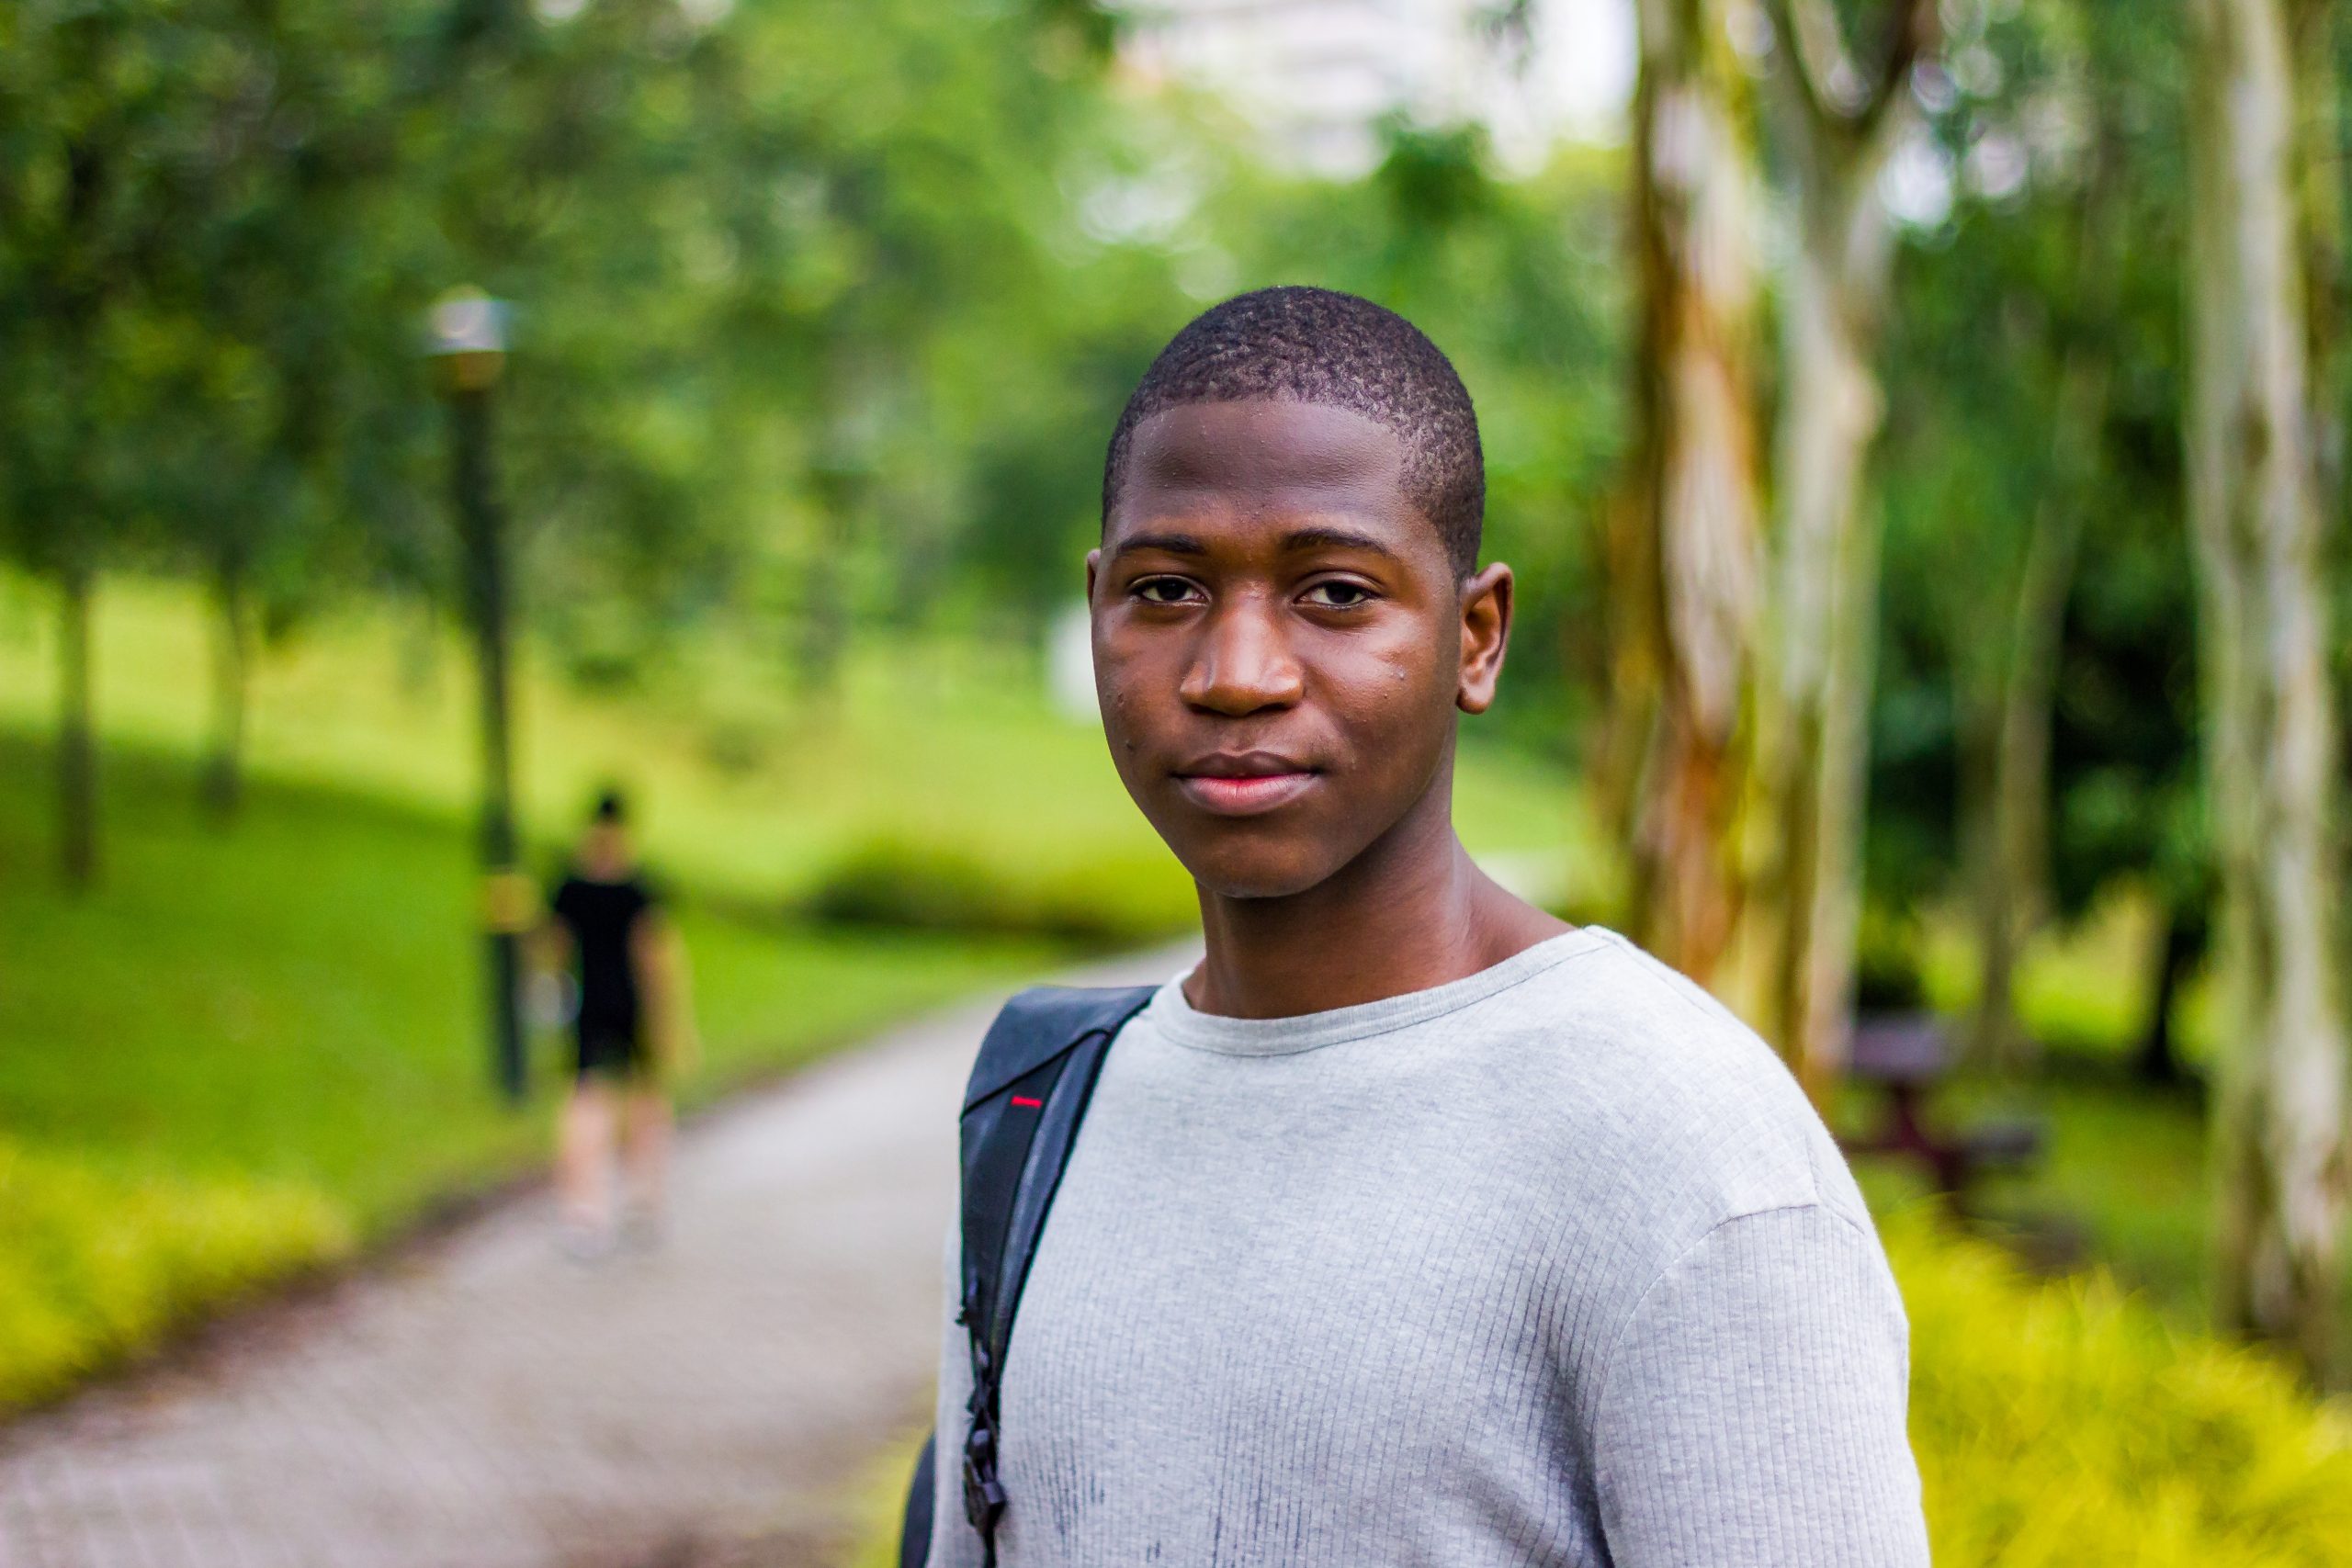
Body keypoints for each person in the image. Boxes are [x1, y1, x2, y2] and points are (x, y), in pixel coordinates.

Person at [924, 287, 1928, 1564]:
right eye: (1167, 587)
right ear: (1098, 607)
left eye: (1334, 592)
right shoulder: (1042, 1114)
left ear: (1475, 634)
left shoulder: (1680, 1146)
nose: (1236, 671)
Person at [542, 789, 695, 1258]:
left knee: (586, 1099)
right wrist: (670, 1021)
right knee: (645, 1098)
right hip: (631, 1005)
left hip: (588, 1004)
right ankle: (643, 1199)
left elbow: (552, 949)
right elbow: (654, 957)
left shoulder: (571, 886)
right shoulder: (637, 888)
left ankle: (583, 1210)